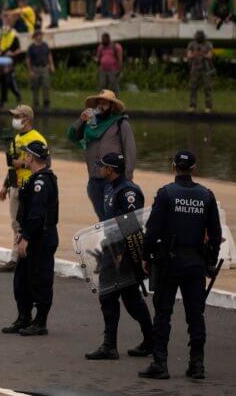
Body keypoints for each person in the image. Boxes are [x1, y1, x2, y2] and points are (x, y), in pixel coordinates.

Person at [139, 150, 222, 381]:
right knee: (196, 315)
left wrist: (145, 256)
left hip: (170, 261)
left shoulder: (166, 194)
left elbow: (152, 230)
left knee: (163, 313)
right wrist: (210, 263)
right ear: (194, 169)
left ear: (173, 166)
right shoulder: (207, 195)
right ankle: (197, 365)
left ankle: (160, 363)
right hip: (196, 262)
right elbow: (215, 235)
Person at [84, 152, 154, 362]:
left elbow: (132, 225)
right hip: (110, 249)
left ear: (112, 169)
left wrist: (123, 254)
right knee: (115, 297)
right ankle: (113, 344)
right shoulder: (109, 187)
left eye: (103, 166)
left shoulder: (128, 192)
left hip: (122, 253)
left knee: (124, 298)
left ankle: (138, 341)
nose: (100, 169)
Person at [2, 141, 58, 337]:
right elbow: (24, 210)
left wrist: (25, 238)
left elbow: (37, 214)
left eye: (26, 155)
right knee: (21, 280)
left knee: (40, 280)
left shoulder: (42, 182)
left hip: (41, 238)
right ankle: (23, 317)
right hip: (29, 234)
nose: (24, 157)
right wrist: (19, 231)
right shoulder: (34, 179)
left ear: (31, 158)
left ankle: (40, 322)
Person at [67, 90, 137, 220]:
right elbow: (72, 136)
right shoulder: (90, 123)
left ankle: (117, 240)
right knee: (103, 219)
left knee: (116, 218)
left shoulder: (121, 123)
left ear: (112, 106)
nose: (100, 105)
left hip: (114, 181)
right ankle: (108, 240)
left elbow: (130, 150)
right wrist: (81, 120)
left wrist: (126, 178)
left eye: (104, 103)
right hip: (94, 180)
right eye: (98, 102)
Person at [0, 105, 47, 273]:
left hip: (30, 186)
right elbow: (13, 165)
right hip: (16, 186)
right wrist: (6, 185)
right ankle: (16, 257)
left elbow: (46, 163)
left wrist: (23, 163)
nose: (15, 119)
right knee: (16, 224)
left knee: (29, 223)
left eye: (18, 116)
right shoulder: (16, 138)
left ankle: (23, 257)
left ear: (27, 118)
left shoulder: (36, 138)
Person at [186, 30, 213, 113]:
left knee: (207, 87)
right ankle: (192, 106)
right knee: (193, 86)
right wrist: (196, 53)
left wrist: (203, 54)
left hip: (205, 68)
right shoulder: (191, 44)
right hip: (195, 67)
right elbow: (189, 55)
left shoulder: (208, 44)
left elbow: (210, 56)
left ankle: (208, 107)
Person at [25, 30, 54, 109]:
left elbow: (49, 55)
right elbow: (28, 59)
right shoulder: (31, 47)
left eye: (41, 35)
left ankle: (46, 102)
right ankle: (36, 103)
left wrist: (51, 65)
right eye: (38, 35)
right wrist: (30, 70)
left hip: (44, 67)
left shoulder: (45, 45)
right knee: (35, 87)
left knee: (46, 85)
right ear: (35, 37)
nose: (40, 37)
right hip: (35, 68)